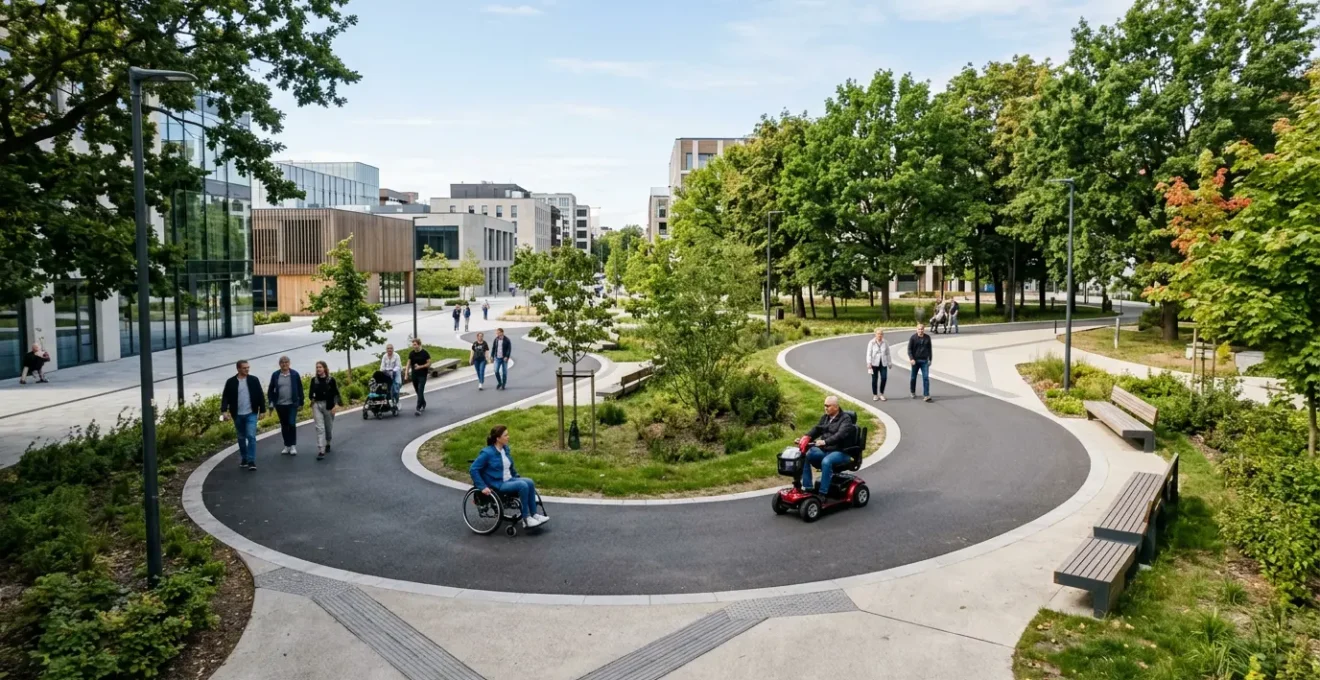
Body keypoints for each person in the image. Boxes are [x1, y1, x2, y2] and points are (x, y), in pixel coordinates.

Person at [469, 425, 549, 528]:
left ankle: (534, 514)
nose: (508, 437)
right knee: (522, 485)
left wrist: (517, 477)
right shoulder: (487, 453)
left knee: (529, 482)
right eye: (505, 435)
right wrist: (482, 487)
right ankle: (526, 519)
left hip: (508, 479)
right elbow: (473, 469)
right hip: (497, 483)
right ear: (498, 438)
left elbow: (509, 467)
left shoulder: (505, 449)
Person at [798, 396, 858, 495]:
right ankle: (807, 487)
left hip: (841, 451)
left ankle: (823, 493)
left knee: (827, 461)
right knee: (806, 455)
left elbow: (840, 435)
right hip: (826, 450)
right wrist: (806, 437)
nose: (825, 408)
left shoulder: (845, 419)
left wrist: (825, 442)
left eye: (828, 406)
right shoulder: (825, 417)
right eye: (825, 406)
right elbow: (817, 429)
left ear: (836, 407)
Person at [221, 360, 266, 470]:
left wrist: (262, 410)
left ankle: (251, 461)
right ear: (238, 369)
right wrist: (224, 411)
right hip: (237, 414)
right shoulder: (231, 382)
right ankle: (244, 458)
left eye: (248, 367)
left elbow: (260, 395)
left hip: (251, 413)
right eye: (244, 368)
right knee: (241, 437)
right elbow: (225, 397)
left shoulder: (254, 380)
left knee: (251, 436)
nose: (247, 369)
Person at [267, 356, 304, 455]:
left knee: (291, 423)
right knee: (284, 425)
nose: (284, 364)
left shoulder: (294, 374)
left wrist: (301, 402)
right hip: (280, 404)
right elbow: (270, 390)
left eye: (286, 362)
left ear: (289, 363)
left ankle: (293, 446)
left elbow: (300, 388)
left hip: (292, 404)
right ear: (279, 364)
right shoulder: (275, 375)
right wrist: (271, 402)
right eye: (282, 362)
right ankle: (287, 445)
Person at [308, 361, 342, 460]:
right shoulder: (314, 380)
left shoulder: (331, 380)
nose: (318, 369)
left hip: (328, 405)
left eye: (320, 367)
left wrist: (335, 405)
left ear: (325, 368)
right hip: (316, 405)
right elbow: (310, 394)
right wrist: (312, 398)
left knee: (328, 427)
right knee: (319, 428)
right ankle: (321, 450)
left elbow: (336, 393)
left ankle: (328, 442)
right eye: (317, 367)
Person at [908, 322, 934, 402]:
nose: (920, 331)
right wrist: (911, 359)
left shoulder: (927, 338)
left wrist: (930, 359)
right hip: (915, 361)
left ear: (924, 329)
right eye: (919, 329)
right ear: (917, 330)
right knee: (913, 377)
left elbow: (929, 349)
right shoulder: (913, 338)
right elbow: (909, 349)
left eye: (922, 329)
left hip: (924, 361)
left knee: (926, 377)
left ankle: (926, 395)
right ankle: (912, 391)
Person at [406, 338, 432, 415]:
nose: (413, 346)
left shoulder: (424, 353)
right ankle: (423, 402)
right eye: (413, 345)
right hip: (414, 375)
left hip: (422, 375)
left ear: (419, 344)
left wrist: (420, 367)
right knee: (417, 391)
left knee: (420, 390)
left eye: (415, 345)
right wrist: (406, 373)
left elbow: (429, 363)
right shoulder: (411, 353)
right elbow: (408, 364)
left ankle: (418, 408)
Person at [865, 328, 891, 402]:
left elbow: (888, 353)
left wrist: (889, 362)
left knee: (884, 378)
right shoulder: (871, 342)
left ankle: (881, 394)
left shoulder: (885, 342)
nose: (880, 335)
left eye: (881, 334)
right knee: (874, 379)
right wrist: (869, 363)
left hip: (883, 363)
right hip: (874, 363)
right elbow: (869, 353)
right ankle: (875, 394)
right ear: (875, 334)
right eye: (878, 334)